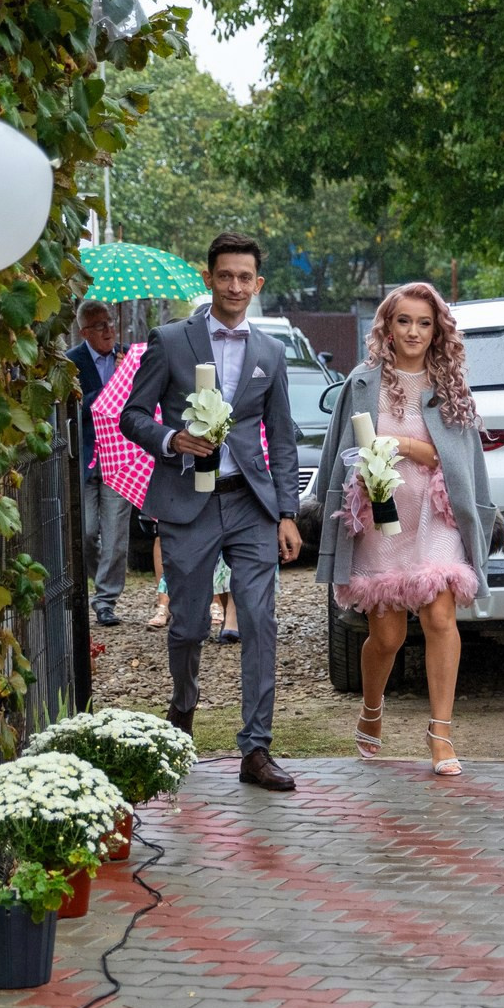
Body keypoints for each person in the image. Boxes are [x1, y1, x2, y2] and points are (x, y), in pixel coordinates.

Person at [118, 233, 302, 792]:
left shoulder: (269, 352)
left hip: (250, 502)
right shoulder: (170, 340)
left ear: (258, 284)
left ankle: (256, 749)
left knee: (260, 620)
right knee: (190, 623)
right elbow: (132, 415)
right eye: (226, 276)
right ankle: (182, 716)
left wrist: (288, 512)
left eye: (246, 278)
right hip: (185, 501)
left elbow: (282, 438)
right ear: (209, 277)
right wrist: (173, 439)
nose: (235, 287)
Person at [304, 281, 500, 776]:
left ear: (437, 331)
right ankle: (372, 708)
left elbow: (462, 461)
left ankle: (441, 734)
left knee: (439, 618)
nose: (414, 331)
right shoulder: (362, 382)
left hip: (437, 514)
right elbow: (336, 452)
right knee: (387, 637)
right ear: (387, 328)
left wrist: (405, 447)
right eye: (404, 321)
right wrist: (313, 509)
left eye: (424, 323)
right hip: (379, 516)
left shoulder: (450, 385)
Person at [68, 302, 132, 627]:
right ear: (84, 332)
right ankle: (101, 578)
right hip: (87, 458)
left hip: (121, 458)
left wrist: (128, 379)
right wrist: (112, 387)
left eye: (110, 323)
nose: (109, 330)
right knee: (88, 529)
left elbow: (142, 402)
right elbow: (74, 410)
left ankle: (105, 600)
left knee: (116, 534)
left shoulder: (128, 357)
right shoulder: (70, 363)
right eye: (100, 326)